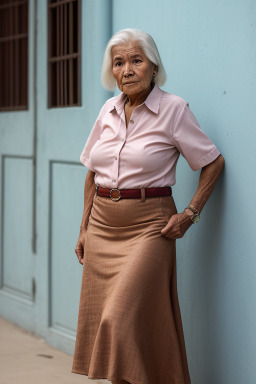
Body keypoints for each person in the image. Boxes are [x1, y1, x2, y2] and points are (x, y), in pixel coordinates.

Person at [71, 28, 225, 384]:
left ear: (153, 66)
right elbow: (92, 174)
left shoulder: (173, 110)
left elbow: (212, 162)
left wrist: (190, 214)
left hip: (149, 227)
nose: (127, 70)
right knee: (119, 333)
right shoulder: (107, 110)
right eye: (119, 62)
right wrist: (84, 228)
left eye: (136, 61)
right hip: (102, 226)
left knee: (119, 320)